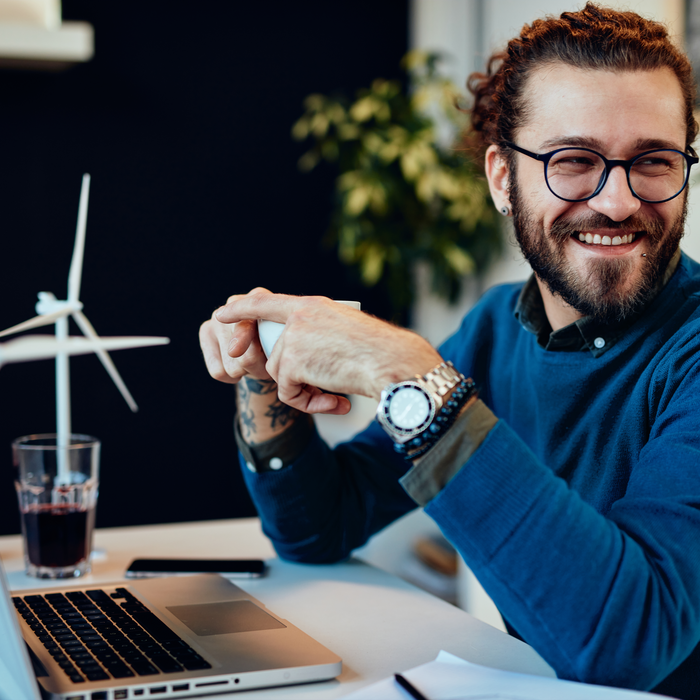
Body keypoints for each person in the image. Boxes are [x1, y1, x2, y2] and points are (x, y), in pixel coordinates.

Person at [199, 4, 700, 697]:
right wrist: (262, 373)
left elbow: (629, 642)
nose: (617, 201)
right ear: (501, 178)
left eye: (653, 162)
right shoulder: (498, 329)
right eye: (575, 161)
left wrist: (409, 374)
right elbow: (322, 525)